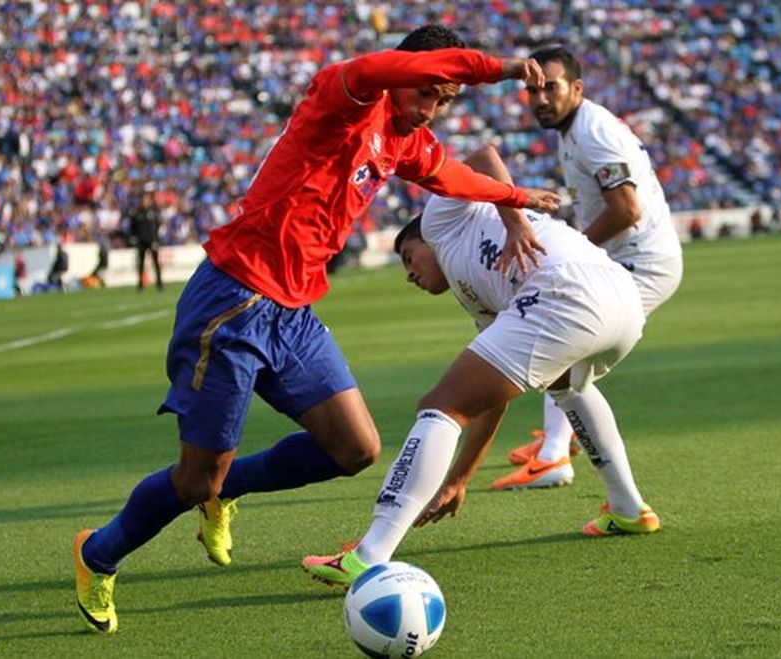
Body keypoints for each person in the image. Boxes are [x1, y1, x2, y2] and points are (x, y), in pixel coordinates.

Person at [73, 25, 560, 635]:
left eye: (444, 100)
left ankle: (229, 491)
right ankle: (98, 553)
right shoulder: (346, 94)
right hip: (233, 301)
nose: (431, 108)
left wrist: (518, 196)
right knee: (196, 476)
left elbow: (455, 178)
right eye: (428, 92)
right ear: (401, 71)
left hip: (293, 312)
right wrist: (505, 67)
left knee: (355, 448)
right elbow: (403, 77)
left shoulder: (404, 139)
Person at [302, 144, 660, 588]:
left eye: (407, 257)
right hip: (618, 302)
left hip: (567, 290)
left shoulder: (442, 220)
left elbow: (483, 155)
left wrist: (515, 220)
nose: (409, 274)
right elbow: (491, 401)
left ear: (421, 240)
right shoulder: (481, 300)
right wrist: (460, 479)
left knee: (438, 405)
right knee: (568, 387)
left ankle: (369, 554)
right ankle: (628, 508)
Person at [494, 45, 683, 490]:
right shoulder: (576, 127)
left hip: (641, 261)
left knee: (566, 346)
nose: (540, 99)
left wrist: (574, 247)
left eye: (550, 88)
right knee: (567, 346)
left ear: (576, 88)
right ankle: (559, 439)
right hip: (628, 257)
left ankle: (555, 455)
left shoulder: (593, 131)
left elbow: (626, 209)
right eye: (532, 90)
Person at [131, 191, 164, 291]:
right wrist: (134, 238)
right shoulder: (137, 213)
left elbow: (157, 226)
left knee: (156, 262)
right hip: (141, 242)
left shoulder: (153, 212)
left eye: (146, 200)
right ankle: (140, 284)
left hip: (152, 241)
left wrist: (156, 240)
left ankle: (159, 283)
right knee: (141, 263)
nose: (145, 202)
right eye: (143, 200)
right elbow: (133, 227)